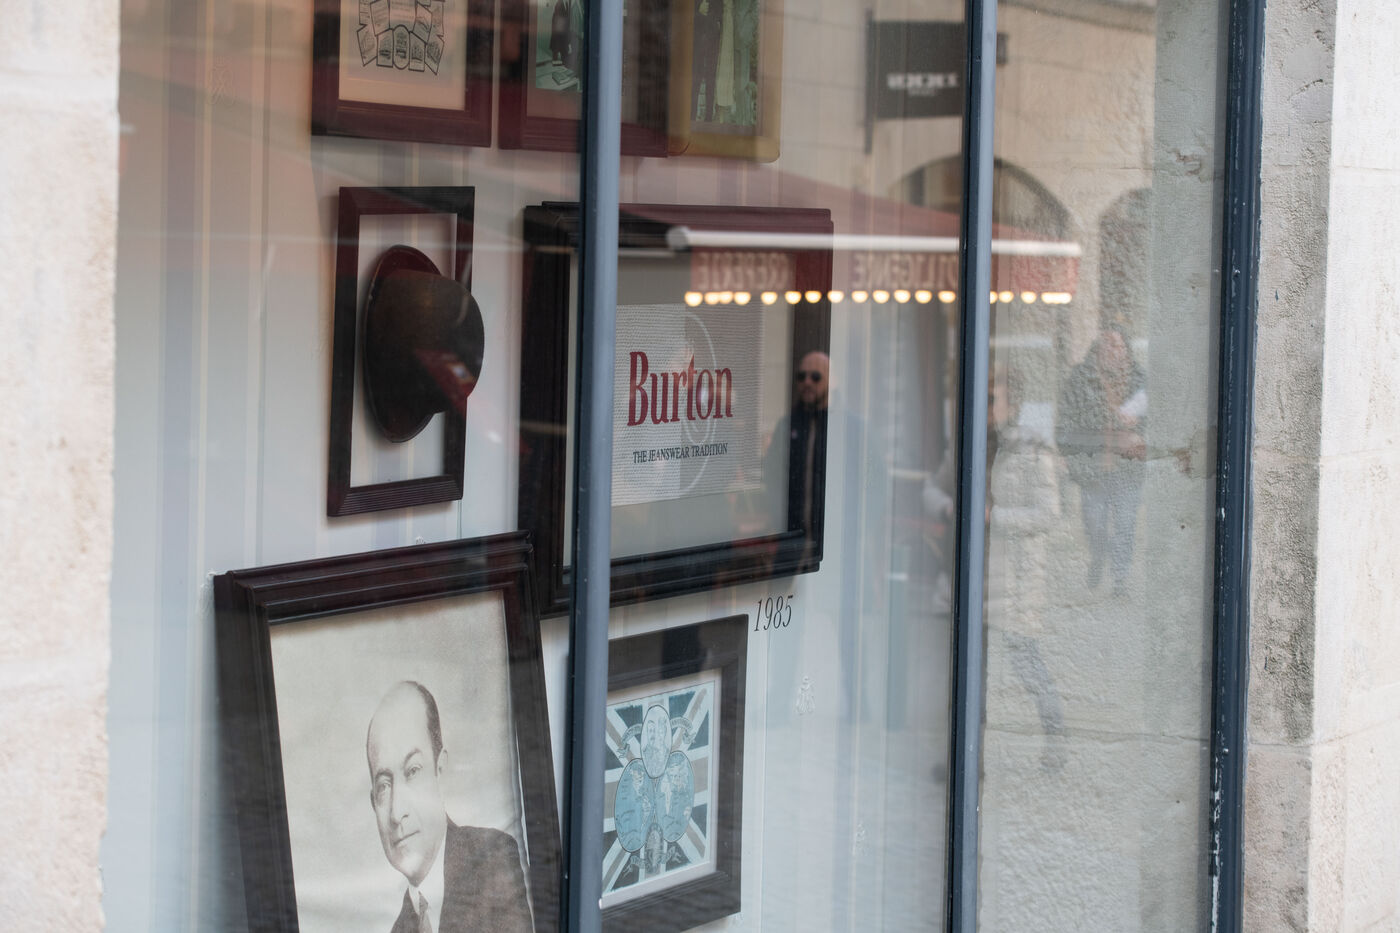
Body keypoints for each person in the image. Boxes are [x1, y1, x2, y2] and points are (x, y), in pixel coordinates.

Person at [366, 681, 533, 933]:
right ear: (373, 804)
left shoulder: (492, 860)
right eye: (383, 786)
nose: (397, 813)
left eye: (413, 771)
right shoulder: (398, 929)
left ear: (440, 770)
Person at [1056, 324, 1146, 595]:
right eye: (1107, 344)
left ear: (1127, 350)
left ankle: (1119, 579)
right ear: (1097, 348)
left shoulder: (1140, 381)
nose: (1113, 350)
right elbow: (1066, 424)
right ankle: (1098, 557)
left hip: (1128, 469)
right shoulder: (1079, 379)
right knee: (1095, 524)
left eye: (1118, 345)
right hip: (1093, 468)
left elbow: (1159, 420)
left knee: (1125, 525)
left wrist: (1138, 435)